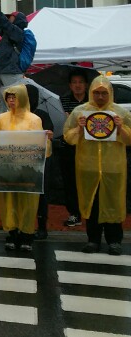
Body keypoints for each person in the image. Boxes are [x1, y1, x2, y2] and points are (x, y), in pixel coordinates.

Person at [63, 76, 131, 255]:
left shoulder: (120, 113)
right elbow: (68, 137)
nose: (100, 96)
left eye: (104, 93)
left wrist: (120, 128)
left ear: (110, 93)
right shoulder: (80, 112)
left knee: (113, 204)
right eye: (96, 93)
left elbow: (130, 139)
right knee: (91, 204)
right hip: (88, 168)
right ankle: (93, 240)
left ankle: (114, 241)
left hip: (113, 168)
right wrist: (79, 128)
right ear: (91, 92)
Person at [0, 84, 52, 253]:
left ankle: (27, 234)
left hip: (27, 170)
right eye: (9, 97)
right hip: (7, 169)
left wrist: (45, 140)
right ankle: (11, 233)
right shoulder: (1, 119)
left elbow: (41, 148)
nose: (11, 101)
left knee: (28, 202)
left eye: (15, 97)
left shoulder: (34, 119)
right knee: (8, 201)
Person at [58, 69, 89, 227]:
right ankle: (74, 213)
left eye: (80, 82)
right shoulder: (62, 101)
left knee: (88, 181)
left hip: (89, 148)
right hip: (68, 147)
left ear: (86, 85)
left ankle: (89, 212)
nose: (78, 86)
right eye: (74, 83)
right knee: (70, 182)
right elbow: (59, 126)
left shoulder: (92, 102)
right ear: (70, 85)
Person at [25, 82, 55, 240]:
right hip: (21, 162)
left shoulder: (41, 115)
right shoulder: (15, 115)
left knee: (41, 194)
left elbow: (50, 132)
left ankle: (42, 226)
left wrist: (47, 133)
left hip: (40, 161)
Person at [0, 0, 28, 86]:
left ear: (17, 20)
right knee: (6, 96)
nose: (8, 19)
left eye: (11, 18)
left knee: (10, 96)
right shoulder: (9, 34)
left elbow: (5, 23)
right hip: (6, 70)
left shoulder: (17, 32)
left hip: (10, 72)